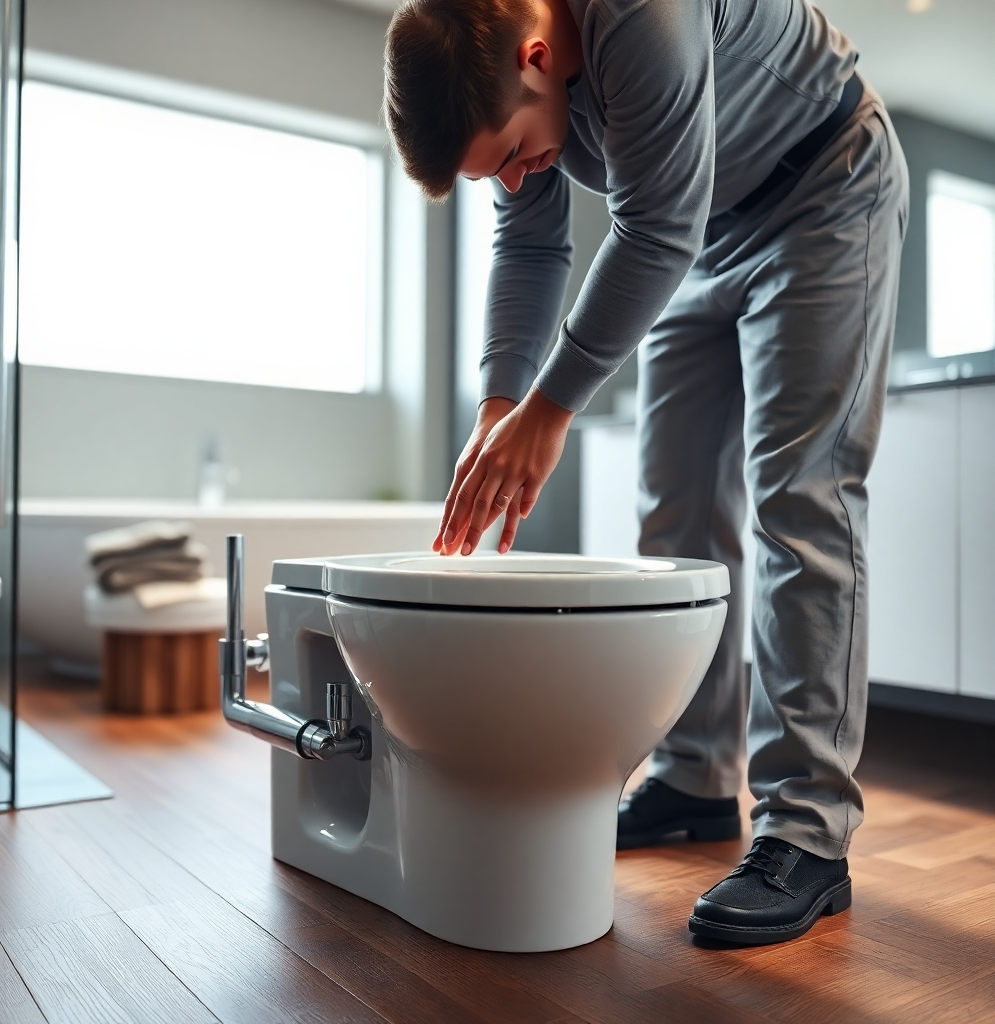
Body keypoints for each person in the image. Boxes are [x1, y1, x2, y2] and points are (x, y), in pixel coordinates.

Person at [383, 0, 908, 946]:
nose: (515, 176)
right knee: (673, 517)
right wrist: (502, 403)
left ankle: (807, 832)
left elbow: (653, 222)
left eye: (508, 154)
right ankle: (695, 775)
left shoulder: (638, 11)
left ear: (537, 57)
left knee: (802, 505)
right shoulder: (501, 62)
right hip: (700, 233)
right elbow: (534, 242)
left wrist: (552, 411)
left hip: (822, 188)